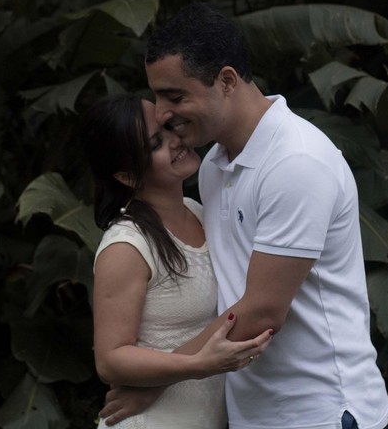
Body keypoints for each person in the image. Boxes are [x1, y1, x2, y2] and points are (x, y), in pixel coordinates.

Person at [103, 3, 388, 429]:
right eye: (158, 95)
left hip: (322, 412)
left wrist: (159, 379)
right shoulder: (213, 168)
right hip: (257, 415)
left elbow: (261, 311)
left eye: (175, 96)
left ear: (226, 81)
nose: (162, 113)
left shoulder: (296, 161)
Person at [83, 93, 274, 429]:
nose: (176, 140)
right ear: (127, 176)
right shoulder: (126, 245)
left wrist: (167, 380)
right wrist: (197, 366)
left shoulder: (200, 212)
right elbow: (110, 360)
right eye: (157, 142)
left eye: (169, 127)